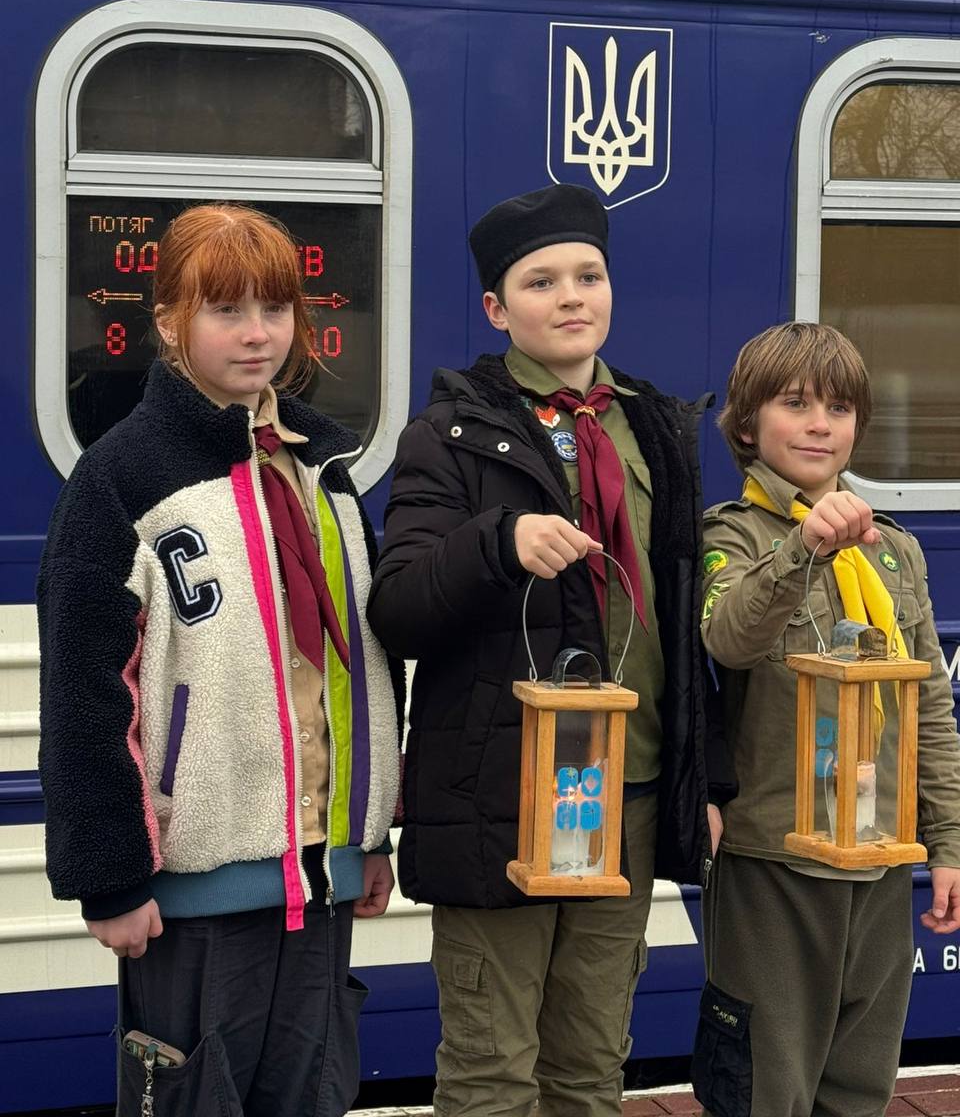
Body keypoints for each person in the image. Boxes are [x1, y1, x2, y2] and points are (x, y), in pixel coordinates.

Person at [367, 183, 730, 1117]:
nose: (571, 297)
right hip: (503, 801)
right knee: (492, 1073)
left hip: (628, 797)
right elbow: (398, 609)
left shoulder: (654, 425)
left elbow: (682, 621)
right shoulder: (447, 435)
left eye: (588, 276)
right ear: (497, 310)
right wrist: (496, 542)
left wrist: (707, 779)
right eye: (541, 282)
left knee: (590, 1065)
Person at [38, 204, 402, 1117]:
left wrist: (369, 838)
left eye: (275, 310)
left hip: (320, 874)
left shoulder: (325, 466)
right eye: (226, 310)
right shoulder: (121, 477)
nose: (257, 334)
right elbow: (84, 693)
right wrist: (109, 877)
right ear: (169, 321)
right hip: (192, 888)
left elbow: (358, 662)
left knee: (312, 1100)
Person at [695, 321, 960, 1117]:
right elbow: (729, 636)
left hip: (879, 858)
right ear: (748, 425)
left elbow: (928, 707)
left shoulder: (894, 551)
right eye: (796, 404)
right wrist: (802, 549)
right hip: (775, 859)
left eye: (839, 409)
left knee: (859, 1084)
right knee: (765, 1086)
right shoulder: (730, 534)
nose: (819, 424)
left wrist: (948, 842)